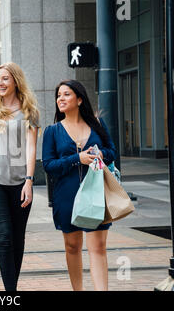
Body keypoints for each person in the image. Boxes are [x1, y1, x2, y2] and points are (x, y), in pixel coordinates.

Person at [42, 79, 117, 291]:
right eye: (59, 95)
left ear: (79, 99)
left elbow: (112, 152)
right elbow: (49, 165)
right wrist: (77, 159)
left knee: (98, 247)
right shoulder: (52, 131)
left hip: (96, 193)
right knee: (72, 247)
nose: (61, 99)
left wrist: (102, 154)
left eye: (66, 94)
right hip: (67, 196)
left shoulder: (97, 124)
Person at [0, 62, 40, 291]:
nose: (0, 83)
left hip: (20, 182)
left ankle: (12, 286)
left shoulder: (30, 110)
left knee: (17, 237)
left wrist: (29, 181)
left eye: (5, 78)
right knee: (3, 236)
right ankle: (10, 292)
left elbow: (32, 148)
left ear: (15, 81)